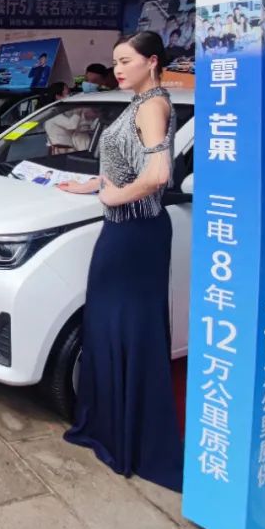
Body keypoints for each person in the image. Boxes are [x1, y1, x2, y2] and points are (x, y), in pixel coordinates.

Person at [58, 30, 183, 492]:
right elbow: (125, 165)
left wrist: (113, 195)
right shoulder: (136, 104)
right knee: (110, 326)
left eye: (126, 60)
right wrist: (92, 187)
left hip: (135, 234)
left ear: (152, 62)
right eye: (115, 61)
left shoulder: (153, 105)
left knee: (126, 328)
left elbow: (158, 174)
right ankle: (111, 425)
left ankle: (131, 436)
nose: (117, 68)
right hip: (124, 229)